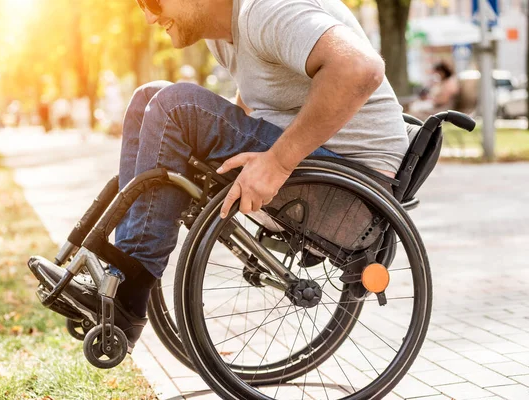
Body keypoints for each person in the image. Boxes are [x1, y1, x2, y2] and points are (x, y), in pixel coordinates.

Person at [38, 0, 409, 353]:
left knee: (175, 105)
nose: (150, 18)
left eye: (152, 2)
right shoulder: (225, 35)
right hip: (322, 162)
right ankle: (121, 278)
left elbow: (361, 69)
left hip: (354, 186)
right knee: (149, 98)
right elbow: (253, 105)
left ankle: (129, 293)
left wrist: (277, 163)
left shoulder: (265, 10)